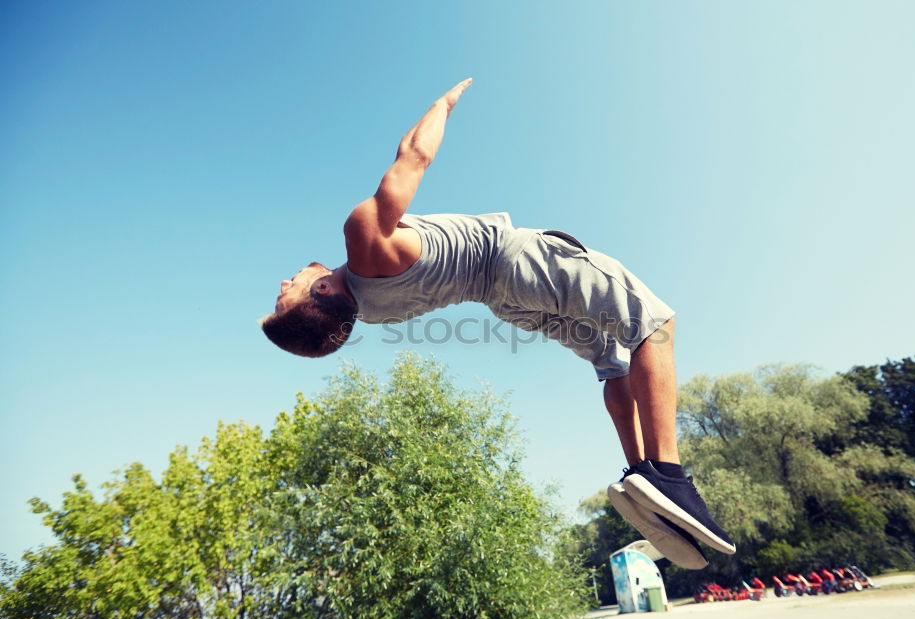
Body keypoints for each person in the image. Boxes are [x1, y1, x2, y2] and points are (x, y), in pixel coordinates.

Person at [259, 79, 734, 567]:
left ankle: (639, 473)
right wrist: (443, 105)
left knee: (612, 362)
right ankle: (668, 473)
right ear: (319, 292)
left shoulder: (373, 313)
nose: (284, 281)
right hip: (515, 262)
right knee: (652, 325)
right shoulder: (364, 240)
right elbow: (415, 156)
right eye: (284, 296)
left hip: (506, 303)